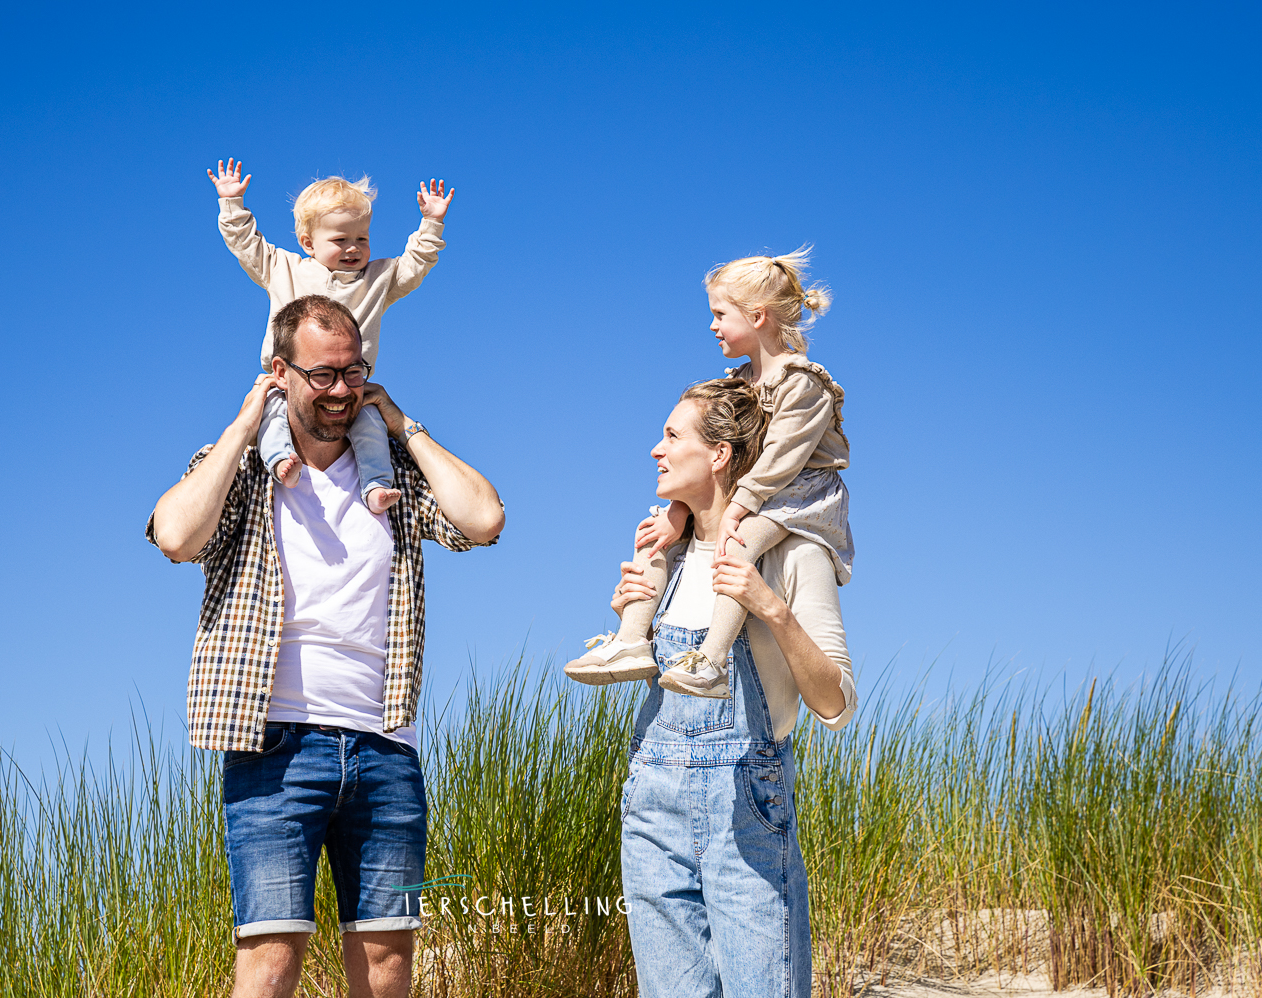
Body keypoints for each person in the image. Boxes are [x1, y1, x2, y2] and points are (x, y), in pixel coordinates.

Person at [146, 296, 503, 998]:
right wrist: (248, 421)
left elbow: (484, 519)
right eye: (322, 375)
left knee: (388, 964)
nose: (341, 391)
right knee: (272, 957)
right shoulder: (242, 471)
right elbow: (176, 537)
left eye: (354, 373)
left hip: (385, 746)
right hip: (273, 746)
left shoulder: (392, 475)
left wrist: (404, 424)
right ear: (281, 370)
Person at [612, 378, 857, 998]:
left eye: (671, 436)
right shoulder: (661, 551)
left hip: (744, 804)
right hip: (651, 802)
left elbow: (837, 702)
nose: (655, 452)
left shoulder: (793, 555)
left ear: (719, 455)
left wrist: (770, 609)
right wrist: (628, 624)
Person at [565, 248, 851, 698]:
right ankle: (632, 641)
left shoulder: (803, 382)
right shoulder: (740, 384)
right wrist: (677, 512)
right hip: (752, 493)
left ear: (757, 317)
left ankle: (713, 659)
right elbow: (727, 458)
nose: (712, 325)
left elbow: (780, 458)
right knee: (656, 530)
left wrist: (738, 508)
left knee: (739, 542)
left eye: (720, 314)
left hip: (796, 496)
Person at [207, 158, 455, 514]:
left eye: (362, 238)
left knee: (370, 428)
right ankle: (280, 461)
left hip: (351, 386)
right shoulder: (283, 268)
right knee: (271, 415)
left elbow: (415, 264)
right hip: (287, 384)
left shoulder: (377, 279)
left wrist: (431, 223)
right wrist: (232, 203)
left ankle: (376, 487)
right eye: (340, 239)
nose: (353, 248)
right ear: (308, 242)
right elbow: (247, 244)